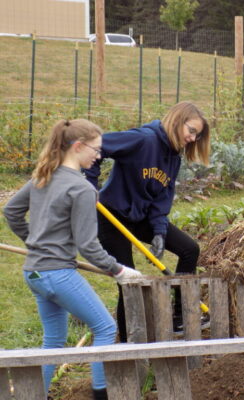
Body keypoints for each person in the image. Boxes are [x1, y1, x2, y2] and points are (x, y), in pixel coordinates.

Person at [3, 119, 142, 400]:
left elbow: (10, 212)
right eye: (95, 149)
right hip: (57, 274)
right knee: (105, 328)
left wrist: (35, 242)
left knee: (53, 340)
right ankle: (100, 394)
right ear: (78, 147)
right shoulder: (81, 189)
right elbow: (88, 246)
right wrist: (118, 270)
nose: (99, 156)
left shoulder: (43, 176)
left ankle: (36, 395)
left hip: (34, 273)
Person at [84, 101, 210, 342]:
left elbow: (162, 200)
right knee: (129, 280)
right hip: (112, 216)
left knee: (189, 249)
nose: (193, 138)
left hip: (140, 217)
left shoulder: (173, 158)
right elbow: (95, 147)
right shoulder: (143, 139)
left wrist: (159, 232)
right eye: (191, 130)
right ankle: (128, 340)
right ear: (177, 120)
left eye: (198, 134)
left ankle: (178, 316)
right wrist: (90, 185)